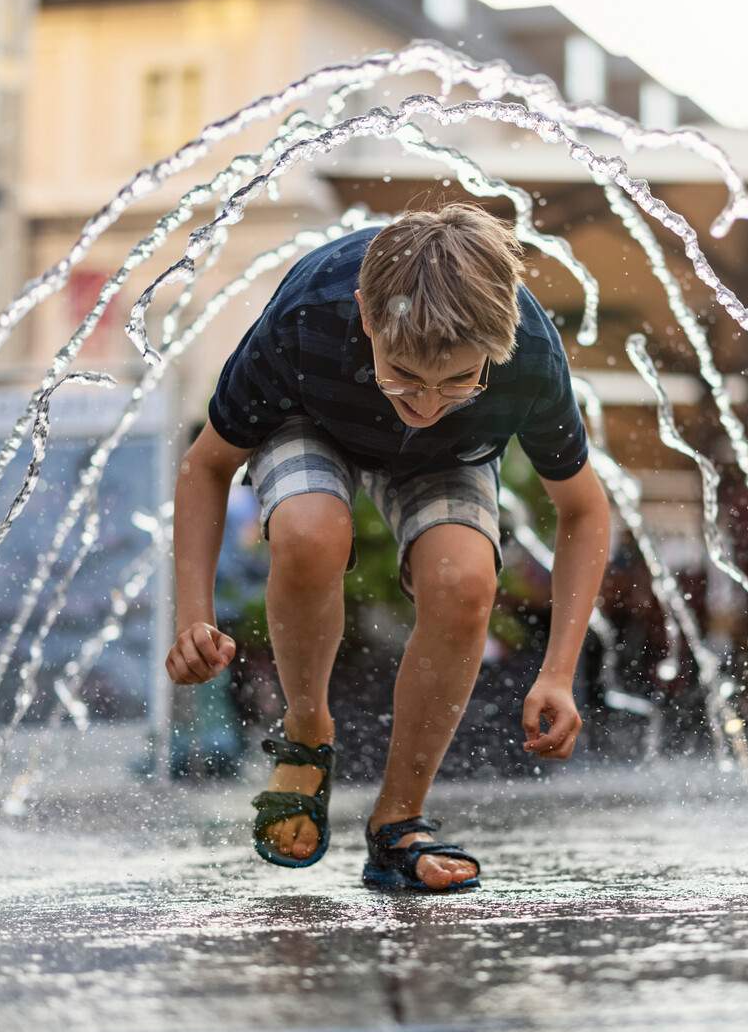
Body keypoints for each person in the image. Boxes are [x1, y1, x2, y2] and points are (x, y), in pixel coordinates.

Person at [164, 204, 611, 892]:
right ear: (367, 316)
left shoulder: (526, 354)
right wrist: (194, 615)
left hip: (450, 456)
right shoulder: (307, 319)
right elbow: (206, 467)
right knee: (312, 532)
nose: (426, 402)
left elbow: (583, 509)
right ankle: (307, 729)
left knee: (465, 581)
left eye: (458, 379)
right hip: (309, 417)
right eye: (404, 374)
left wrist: (556, 671)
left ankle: (398, 822)